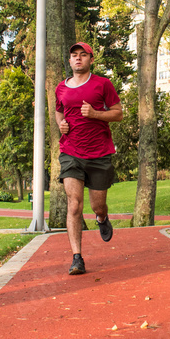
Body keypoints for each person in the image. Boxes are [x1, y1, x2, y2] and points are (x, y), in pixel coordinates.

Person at [55, 42, 123, 275]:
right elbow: (58, 110)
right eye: (74, 55)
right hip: (70, 151)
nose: (78, 59)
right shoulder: (61, 88)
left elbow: (119, 113)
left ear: (91, 59)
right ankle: (77, 258)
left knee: (97, 204)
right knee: (74, 204)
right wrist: (60, 125)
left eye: (83, 55)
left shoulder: (103, 84)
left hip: (99, 153)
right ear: (70, 60)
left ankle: (102, 218)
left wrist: (95, 114)